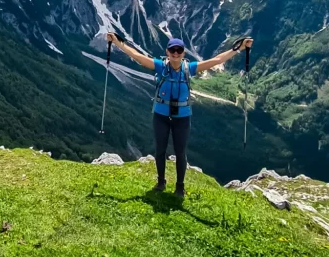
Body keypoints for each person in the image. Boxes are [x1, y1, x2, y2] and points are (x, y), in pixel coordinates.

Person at [106, 33, 253, 198]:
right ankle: (161, 182)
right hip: (161, 115)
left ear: (183, 53)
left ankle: (180, 187)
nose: (175, 53)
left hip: (182, 118)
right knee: (160, 150)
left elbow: (217, 60)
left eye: (179, 50)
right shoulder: (161, 66)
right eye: (172, 50)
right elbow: (137, 56)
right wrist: (117, 42)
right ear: (167, 52)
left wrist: (239, 48)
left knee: (180, 152)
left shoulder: (189, 68)